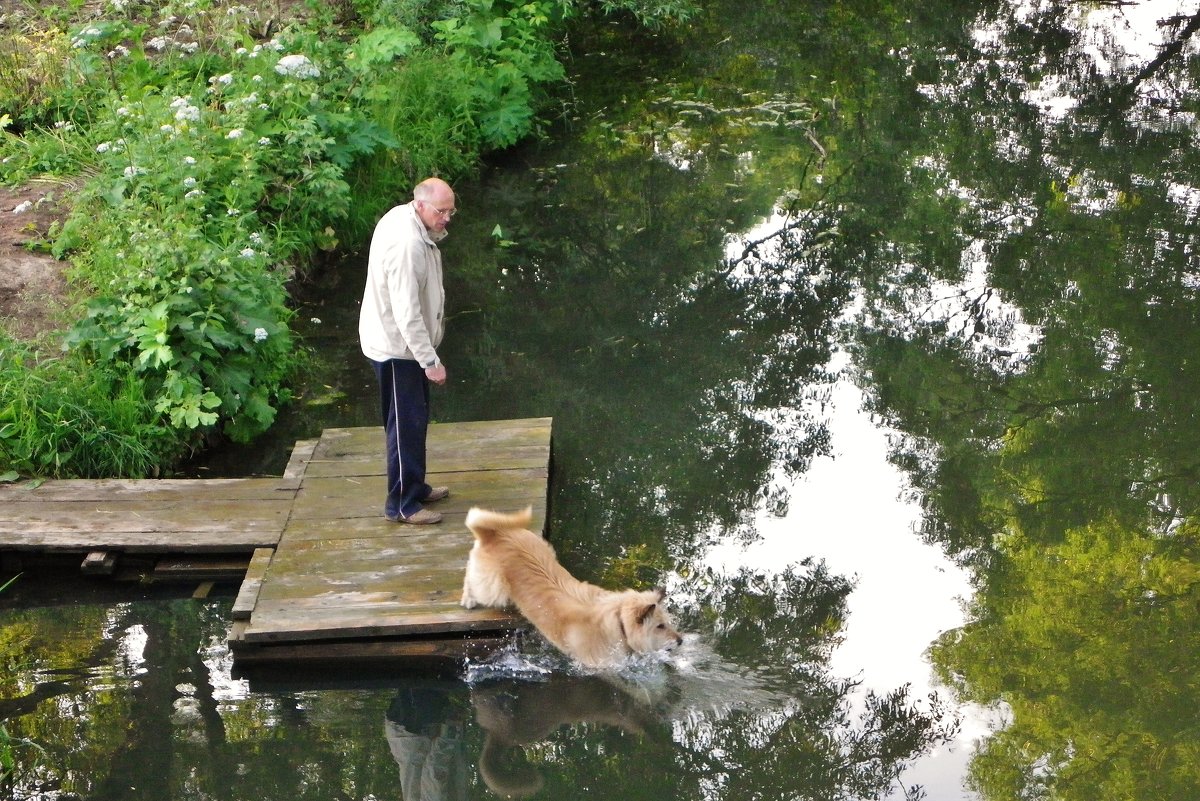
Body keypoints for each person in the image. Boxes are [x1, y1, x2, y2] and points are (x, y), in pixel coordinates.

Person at [359, 177, 456, 525]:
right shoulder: (406, 244)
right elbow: (407, 313)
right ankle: (401, 505)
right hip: (397, 349)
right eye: (442, 212)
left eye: (451, 211)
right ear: (421, 205)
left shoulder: (408, 217)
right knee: (404, 425)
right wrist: (429, 360)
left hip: (406, 346)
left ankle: (415, 486)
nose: (447, 218)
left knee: (415, 419)